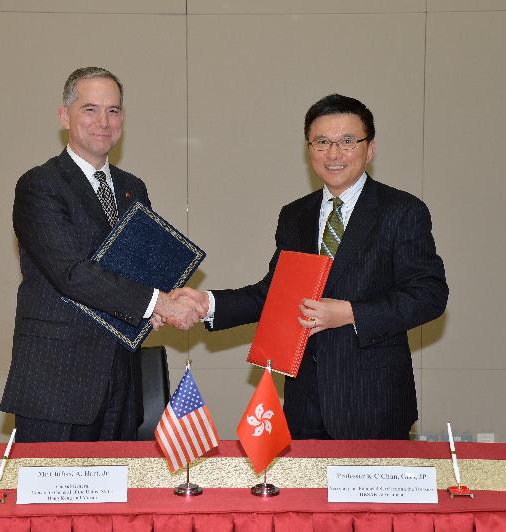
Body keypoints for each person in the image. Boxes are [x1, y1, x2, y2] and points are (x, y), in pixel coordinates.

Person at [176, 94, 448, 440]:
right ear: (309, 150)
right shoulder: (295, 215)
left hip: (373, 400)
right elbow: (275, 293)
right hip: (304, 400)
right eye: (322, 142)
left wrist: (351, 313)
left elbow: (429, 295)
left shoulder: (401, 211)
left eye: (347, 141)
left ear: (371, 149)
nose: (333, 154)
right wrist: (207, 304)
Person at [0, 67, 203, 443]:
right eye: (90, 109)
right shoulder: (39, 185)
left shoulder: (132, 188)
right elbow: (72, 273)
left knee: (118, 500)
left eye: (113, 110)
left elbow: (139, 268)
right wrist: (157, 302)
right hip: (55, 385)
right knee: (53, 501)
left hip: (121, 382)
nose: (103, 122)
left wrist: (154, 306)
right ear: (65, 117)